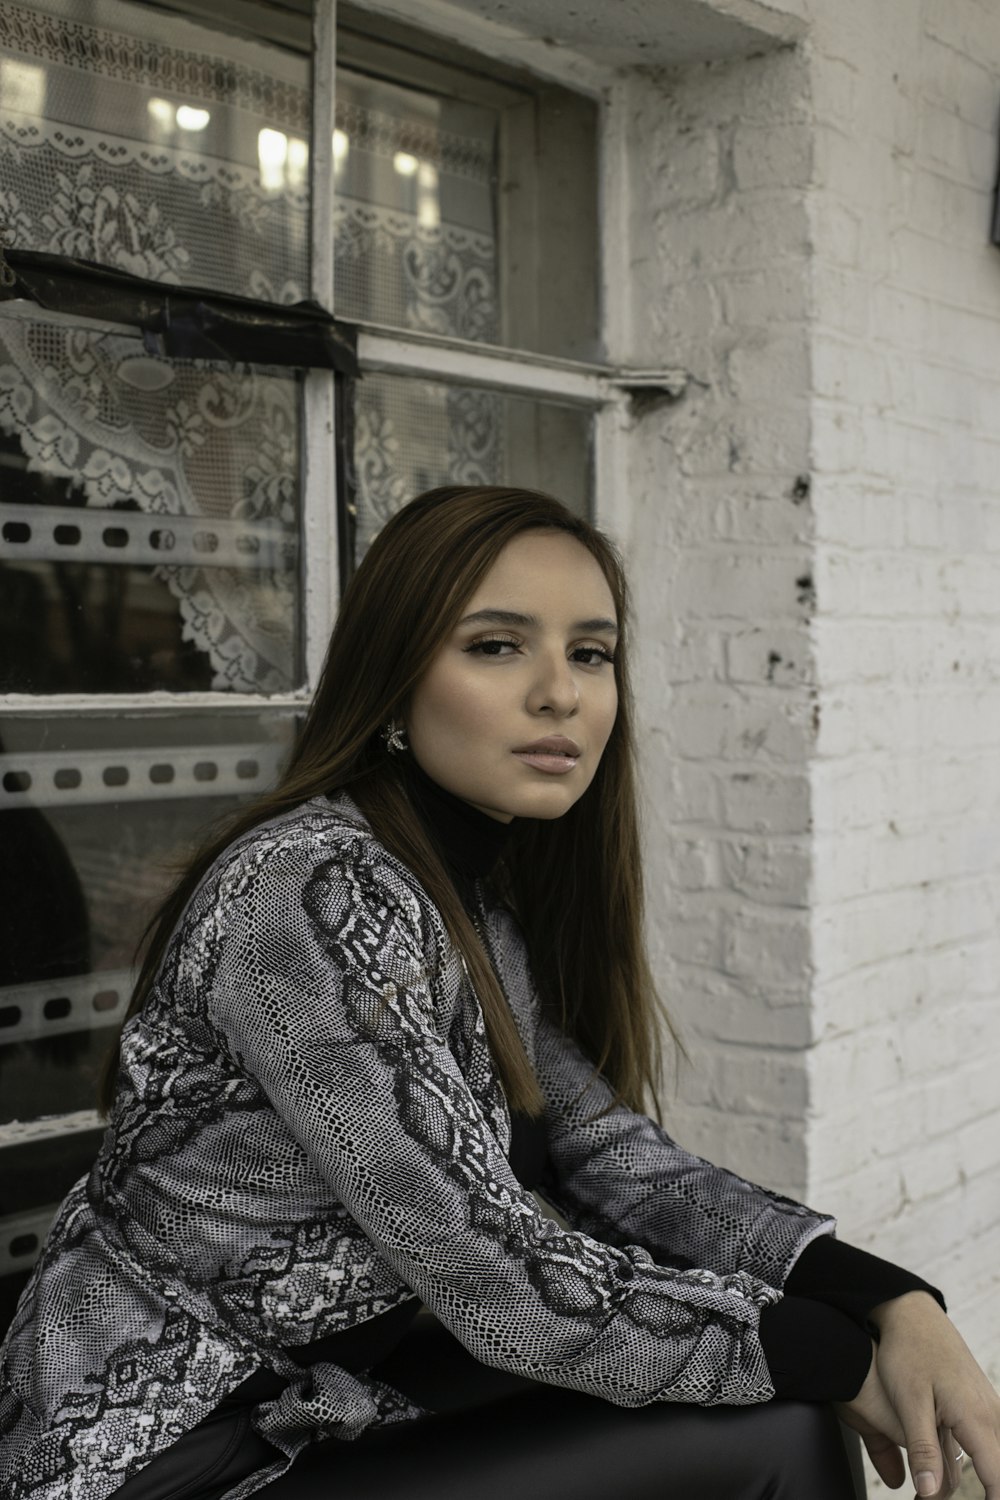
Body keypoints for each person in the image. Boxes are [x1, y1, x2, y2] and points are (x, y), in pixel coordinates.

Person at [1, 486, 997, 1500]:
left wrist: (884, 1299)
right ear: (392, 684)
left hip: (322, 1405)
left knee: (762, 1397)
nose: (560, 693)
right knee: (778, 1423)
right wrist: (836, 1356)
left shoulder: (461, 906)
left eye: (591, 653)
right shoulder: (308, 892)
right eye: (496, 646)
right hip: (163, 1458)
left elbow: (610, 1157)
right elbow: (494, 1282)